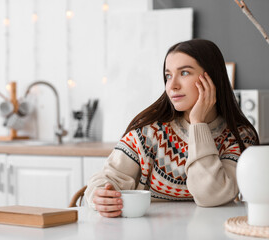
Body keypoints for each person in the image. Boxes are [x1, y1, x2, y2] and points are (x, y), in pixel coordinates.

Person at [84, 39, 259, 218]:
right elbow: (106, 179)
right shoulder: (149, 133)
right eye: (168, 75)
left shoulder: (239, 137)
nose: (172, 85)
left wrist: (198, 124)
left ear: (211, 78)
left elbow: (211, 196)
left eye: (184, 73)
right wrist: (100, 196)